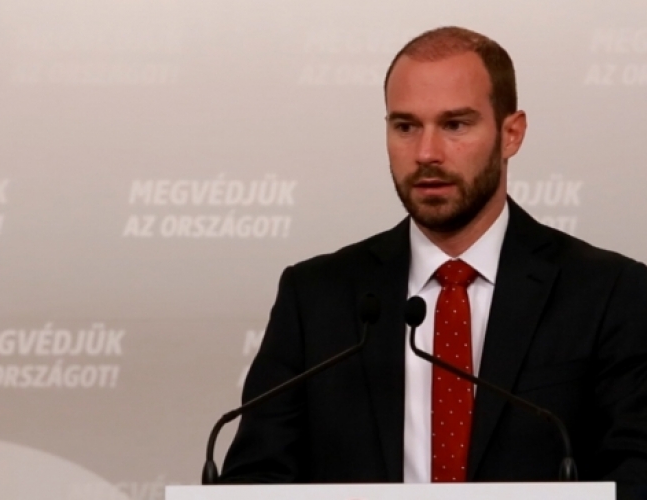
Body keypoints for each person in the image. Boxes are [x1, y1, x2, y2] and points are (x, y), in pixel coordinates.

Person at [219, 26, 647, 498]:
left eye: (455, 125)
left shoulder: (610, 293)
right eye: (406, 127)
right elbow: (254, 481)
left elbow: (636, 474)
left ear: (511, 134)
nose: (426, 154)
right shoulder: (315, 297)